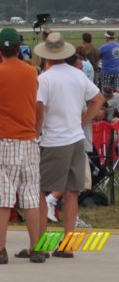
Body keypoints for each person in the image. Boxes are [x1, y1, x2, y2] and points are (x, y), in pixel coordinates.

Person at [34, 33, 105, 256]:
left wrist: (36, 132)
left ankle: (42, 245)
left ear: (47, 56)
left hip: (54, 140)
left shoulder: (44, 78)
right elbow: (98, 100)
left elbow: (39, 108)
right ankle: (68, 243)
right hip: (76, 138)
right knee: (71, 192)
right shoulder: (77, 74)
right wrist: (82, 122)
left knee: (41, 191)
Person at [0, 27, 42, 264]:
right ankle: (36, 247)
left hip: (3, 139)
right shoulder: (31, 72)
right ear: (18, 47)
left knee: (3, 197)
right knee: (31, 196)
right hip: (28, 139)